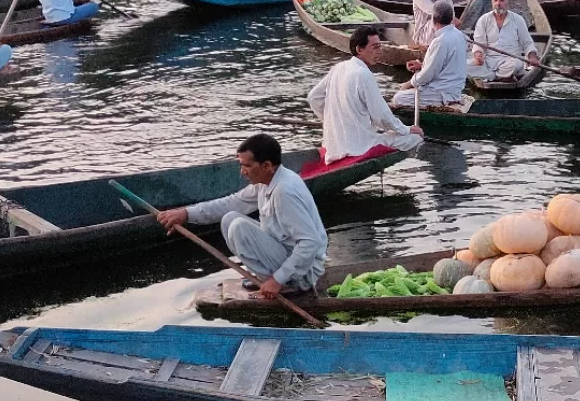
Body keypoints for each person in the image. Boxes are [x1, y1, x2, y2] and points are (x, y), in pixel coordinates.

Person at [156, 132, 327, 297]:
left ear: (267, 166)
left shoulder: (284, 192)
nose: (242, 172)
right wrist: (185, 213)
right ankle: (266, 277)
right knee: (229, 219)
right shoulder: (266, 182)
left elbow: (310, 242)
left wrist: (277, 280)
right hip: (286, 252)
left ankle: (286, 284)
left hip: (306, 272)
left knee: (239, 227)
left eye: (247, 166)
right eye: (241, 165)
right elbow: (231, 203)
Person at [308, 26, 423, 164]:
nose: (379, 52)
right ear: (359, 49)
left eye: (380, 47)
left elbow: (313, 98)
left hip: (334, 146)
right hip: (360, 147)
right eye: (374, 47)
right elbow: (382, 117)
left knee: (390, 130)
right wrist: (407, 129)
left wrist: (331, 121)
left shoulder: (338, 67)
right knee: (416, 138)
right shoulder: (364, 74)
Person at [393, 0, 466, 107]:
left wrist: (409, 83)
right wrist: (422, 65)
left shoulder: (440, 41)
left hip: (442, 93)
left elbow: (427, 75)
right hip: (453, 90)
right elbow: (444, 66)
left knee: (398, 98)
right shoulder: (459, 35)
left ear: (433, 19)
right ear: (451, 19)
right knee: (407, 90)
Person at [468, 0, 540, 82]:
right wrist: (478, 54)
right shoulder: (483, 20)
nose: (498, 3)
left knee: (516, 65)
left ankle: (492, 76)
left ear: (508, 2)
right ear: (492, 2)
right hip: (489, 62)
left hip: (510, 61)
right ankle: (501, 76)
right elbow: (478, 43)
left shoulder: (518, 20)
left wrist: (532, 57)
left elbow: (527, 43)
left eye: (501, 0)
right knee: (464, 66)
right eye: (495, 0)